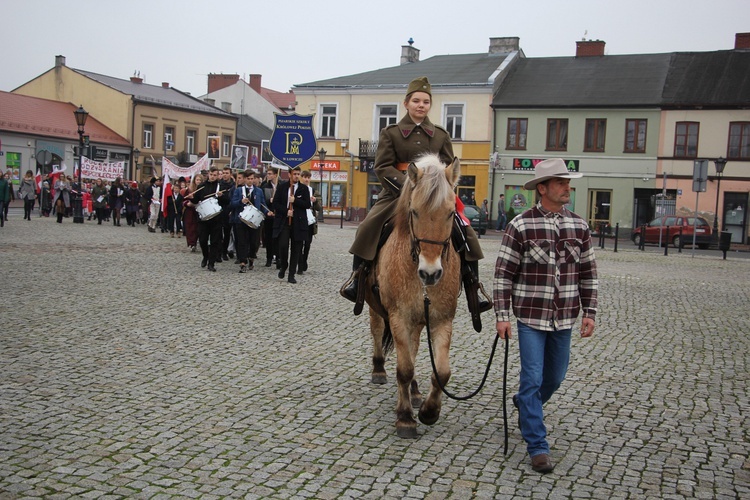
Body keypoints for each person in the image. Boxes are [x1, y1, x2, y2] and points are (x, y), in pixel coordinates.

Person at [341, 76, 491, 324]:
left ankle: (474, 287)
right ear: (407, 103)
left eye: (426, 102)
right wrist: (410, 186)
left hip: (433, 198)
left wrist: (439, 190)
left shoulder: (441, 135)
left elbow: (449, 168)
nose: (421, 105)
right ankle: (357, 279)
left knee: (465, 232)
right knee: (367, 227)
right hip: (397, 195)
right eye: (416, 101)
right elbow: (383, 167)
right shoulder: (391, 133)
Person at [493, 158, 598, 474]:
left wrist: (589, 311)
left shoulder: (579, 226)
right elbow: (503, 275)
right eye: (561, 182)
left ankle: (526, 404)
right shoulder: (521, 225)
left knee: (555, 378)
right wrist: (502, 316)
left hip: (564, 317)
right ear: (543, 188)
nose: (567, 187)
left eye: (568, 182)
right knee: (533, 377)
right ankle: (538, 446)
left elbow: (588, 273)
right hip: (530, 318)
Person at [272, 165, 311, 284]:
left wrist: (296, 201)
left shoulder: (303, 189)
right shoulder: (282, 187)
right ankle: (284, 265)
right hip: (284, 222)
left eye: (298, 174)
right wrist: (285, 211)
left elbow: (307, 204)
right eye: (294, 174)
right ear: (289, 174)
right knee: (283, 245)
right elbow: (276, 204)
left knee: (296, 249)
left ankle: (292, 274)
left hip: (298, 223)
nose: (296, 176)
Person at [189, 167, 230, 272]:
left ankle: (211, 263)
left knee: (215, 241)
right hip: (204, 218)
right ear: (208, 175)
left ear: (217, 176)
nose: (212, 177)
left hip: (217, 218)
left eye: (215, 175)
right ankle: (205, 256)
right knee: (202, 240)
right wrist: (190, 197)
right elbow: (196, 200)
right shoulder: (202, 186)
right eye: (211, 175)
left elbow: (227, 201)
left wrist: (221, 196)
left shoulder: (220, 186)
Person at [298, 170, 321, 274]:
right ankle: (299, 262)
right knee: (299, 243)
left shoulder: (313, 191)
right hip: (300, 219)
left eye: (308, 177)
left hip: (310, 221)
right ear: (301, 178)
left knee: (307, 244)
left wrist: (315, 201)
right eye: (304, 177)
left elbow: (319, 208)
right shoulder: (297, 189)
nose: (306, 179)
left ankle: (304, 259)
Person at [260, 167, 279, 267]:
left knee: (277, 237)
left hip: (279, 215)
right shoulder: (265, 186)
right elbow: (262, 201)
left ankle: (277, 256)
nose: (269, 175)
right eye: (268, 174)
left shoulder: (281, 186)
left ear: (276, 174)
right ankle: (269, 257)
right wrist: (268, 205)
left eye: (270, 174)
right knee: (268, 237)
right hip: (269, 215)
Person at [182, 174, 203, 251]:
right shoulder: (189, 189)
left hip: (199, 210)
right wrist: (187, 203)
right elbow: (184, 200)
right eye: (197, 180)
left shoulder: (203, 189)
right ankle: (191, 243)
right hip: (190, 211)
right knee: (190, 227)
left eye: (200, 180)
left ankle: (197, 242)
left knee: (198, 228)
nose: (198, 182)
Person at [219, 167, 235, 261]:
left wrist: (223, 196)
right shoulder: (219, 184)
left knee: (227, 233)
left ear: (230, 174)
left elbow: (231, 199)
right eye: (223, 173)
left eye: (227, 173)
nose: (225, 175)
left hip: (228, 211)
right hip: (219, 210)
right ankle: (219, 251)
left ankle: (225, 251)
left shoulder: (233, 185)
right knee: (218, 233)